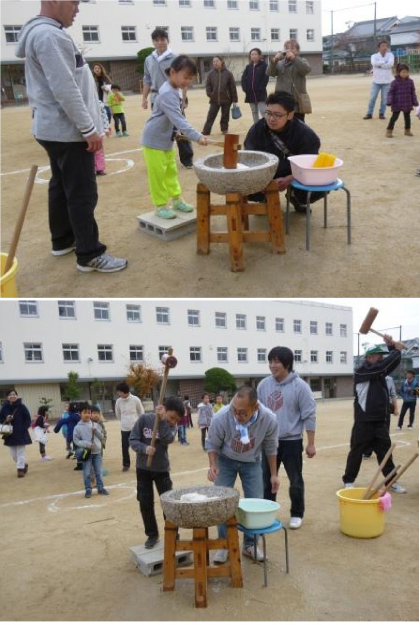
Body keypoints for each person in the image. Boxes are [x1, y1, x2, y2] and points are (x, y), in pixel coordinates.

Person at [16, 0, 127, 273]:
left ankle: (63, 239)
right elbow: (65, 88)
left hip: (54, 129)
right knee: (82, 192)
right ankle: (89, 253)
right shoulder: (49, 35)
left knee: (60, 185)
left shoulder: (45, 32)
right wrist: (89, 129)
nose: (77, 8)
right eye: (74, 2)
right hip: (68, 131)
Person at [206, 386, 279, 563]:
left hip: (252, 461)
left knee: (256, 501)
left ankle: (250, 545)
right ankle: (224, 544)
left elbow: (271, 447)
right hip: (225, 460)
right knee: (221, 501)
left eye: (243, 413)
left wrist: (274, 474)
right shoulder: (222, 416)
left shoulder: (269, 419)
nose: (237, 415)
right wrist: (213, 465)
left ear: (255, 407)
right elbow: (212, 443)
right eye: (235, 410)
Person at [141, 55, 208, 219]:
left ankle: (176, 200)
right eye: (185, 77)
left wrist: (174, 132)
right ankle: (160, 206)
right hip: (154, 141)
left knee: (171, 172)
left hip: (166, 140)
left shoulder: (174, 88)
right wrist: (197, 136)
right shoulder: (167, 93)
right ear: (172, 72)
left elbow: (171, 117)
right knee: (158, 176)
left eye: (191, 78)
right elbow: (178, 118)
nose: (188, 82)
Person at [257, 347, 316, 530]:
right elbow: (257, 413)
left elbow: (309, 415)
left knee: (295, 479)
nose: (272, 365)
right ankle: (267, 513)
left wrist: (311, 443)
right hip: (269, 441)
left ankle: (297, 514)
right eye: (270, 361)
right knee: (266, 479)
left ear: (287, 364)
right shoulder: (263, 385)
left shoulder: (301, 386)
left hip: (292, 441)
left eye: (276, 362)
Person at [342, 339, 407, 494]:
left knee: (385, 453)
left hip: (380, 421)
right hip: (363, 421)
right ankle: (349, 480)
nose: (382, 358)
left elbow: (390, 364)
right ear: (370, 357)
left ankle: (391, 481)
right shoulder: (362, 371)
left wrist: (391, 347)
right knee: (356, 451)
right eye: (379, 355)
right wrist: (396, 350)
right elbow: (383, 365)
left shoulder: (379, 371)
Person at [244, 90, 323, 212]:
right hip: (266, 172)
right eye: (268, 113)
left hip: (294, 173)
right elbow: (249, 159)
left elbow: (310, 164)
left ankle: (295, 197)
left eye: (278, 115)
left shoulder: (306, 135)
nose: (271, 119)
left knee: (320, 181)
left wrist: (290, 179)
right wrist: (261, 180)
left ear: (290, 115)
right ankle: (263, 197)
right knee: (239, 181)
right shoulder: (257, 130)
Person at [129, 396, 184, 549]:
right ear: (164, 409)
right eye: (172, 417)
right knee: (145, 502)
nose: (174, 421)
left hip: (162, 470)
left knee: (168, 503)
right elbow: (133, 440)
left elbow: (167, 439)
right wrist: (144, 449)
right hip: (143, 469)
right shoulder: (144, 419)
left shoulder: (171, 426)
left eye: (176, 420)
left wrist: (164, 421)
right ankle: (152, 534)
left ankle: (173, 533)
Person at [142, 28, 194, 169]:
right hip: (156, 98)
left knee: (180, 125)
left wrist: (183, 98)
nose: (160, 42)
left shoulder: (175, 58)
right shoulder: (149, 59)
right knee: (161, 127)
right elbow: (147, 79)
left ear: (168, 40)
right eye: (156, 40)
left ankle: (187, 159)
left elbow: (184, 79)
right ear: (153, 42)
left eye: (162, 39)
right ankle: (161, 156)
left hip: (173, 97)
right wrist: (144, 98)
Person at [266, 40, 312, 122]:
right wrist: (275, 60)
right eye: (286, 48)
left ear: (297, 51)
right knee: (282, 124)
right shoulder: (280, 63)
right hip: (281, 102)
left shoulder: (302, 60)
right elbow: (270, 73)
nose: (289, 50)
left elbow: (306, 70)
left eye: (292, 48)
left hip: (296, 102)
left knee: (298, 125)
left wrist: (294, 59)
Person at [73, 402, 108, 499]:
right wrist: (87, 444)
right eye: (85, 412)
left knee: (98, 471)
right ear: (80, 414)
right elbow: (76, 440)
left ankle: (100, 488)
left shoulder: (95, 425)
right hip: (86, 453)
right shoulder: (77, 427)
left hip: (97, 453)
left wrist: (96, 431)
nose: (87, 414)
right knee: (87, 473)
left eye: (89, 412)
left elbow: (102, 437)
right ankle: (88, 489)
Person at [363, 375, 397, 459]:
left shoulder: (389, 379)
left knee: (385, 431)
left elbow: (393, 394)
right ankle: (367, 451)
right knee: (370, 430)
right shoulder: (372, 376)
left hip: (385, 408)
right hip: (372, 407)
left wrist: (396, 408)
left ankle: (386, 453)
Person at [202, 56, 238, 136]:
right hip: (214, 99)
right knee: (210, 116)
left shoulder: (228, 73)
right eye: (214, 61)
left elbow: (233, 87)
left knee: (225, 116)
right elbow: (208, 86)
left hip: (226, 99)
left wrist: (234, 100)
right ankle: (206, 131)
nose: (215, 63)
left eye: (217, 61)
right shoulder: (210, 74)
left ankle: (224, 129)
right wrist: (210, 94)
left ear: (221, 61)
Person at [0, 389, 32, 478]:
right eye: (10, 395)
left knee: (20, 453)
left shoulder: (22, 406)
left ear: (17, 396)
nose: (12, 396)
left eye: (14, 394)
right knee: (13, 455)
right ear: (7, 397)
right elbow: (0, 419)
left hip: (21, 433)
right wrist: (6, 420)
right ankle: (23, 464)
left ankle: (20, 470)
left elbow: (28, 419)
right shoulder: (4, 407)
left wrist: (23, 428)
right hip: (9, 434)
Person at [115, 382, 144, 472]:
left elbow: (141, 412)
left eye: (119, 392)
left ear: (125, 391)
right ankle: (126, 465)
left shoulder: (135, 399)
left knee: (138, 446)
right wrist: (124, 421)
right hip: (124, 428)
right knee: (124, 447)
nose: (118, 394)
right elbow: (118, 414)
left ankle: (140, 464)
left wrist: (139, 424)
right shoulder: (118, 401)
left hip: (135, 428)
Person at [363, 40, 394, 120]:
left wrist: (380, 65)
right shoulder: (374, 56)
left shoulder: (390, 55)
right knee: (372, 98)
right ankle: (369, 113)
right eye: (383, 46)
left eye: (386, 46)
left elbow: (391, 64)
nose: (385, 47)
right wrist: (384, 62)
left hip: (387, 81)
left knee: (384, 99)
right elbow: (374, 63)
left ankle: (381, 113)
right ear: (379, 48)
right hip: (376, 81)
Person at [386, 63, 418, 138]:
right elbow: (390, 93)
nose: (405, 74)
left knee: (407, 118)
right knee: (394, 117)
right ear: (398, 72)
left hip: (407, 103)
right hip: (397, 103)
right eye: (403, 72)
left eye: (406, 72)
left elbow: (413, 92)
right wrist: (389, 101)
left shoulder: (410, 82)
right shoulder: (394, 83)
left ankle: (407, 130)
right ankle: (389, 130)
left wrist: (415, 101)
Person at [241, 48, 269, 123]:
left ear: (259, 55)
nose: (254, 56)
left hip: (260, 93)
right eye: (252, 54)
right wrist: (245, 88)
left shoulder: (264, 65)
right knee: (254, 112)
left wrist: (260, 88)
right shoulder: (248, 67)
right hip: (250, 94)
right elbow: (243, 78)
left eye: (255, 54)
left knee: (263, 111)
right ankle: (257, 127)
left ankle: (269, 126)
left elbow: (265, 78)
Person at [54, 401, 82, 469]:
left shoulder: (70, 417)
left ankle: (79, 464)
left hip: (72, 436)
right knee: (79, 448)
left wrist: (56, 429)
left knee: (77, 449)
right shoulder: (79, 416)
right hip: (80, 436)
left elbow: (62, 421)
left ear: (69, 410)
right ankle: (81, 462)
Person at [95, 99, 111, 176]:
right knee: (89, 152)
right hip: (86, 133)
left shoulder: (99, 103)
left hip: (99, 131)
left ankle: (100, 169)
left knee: (99, 151)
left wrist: (106, 128)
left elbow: (104, 116)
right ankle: (91, 169)